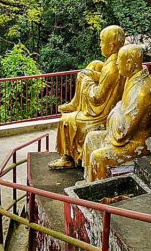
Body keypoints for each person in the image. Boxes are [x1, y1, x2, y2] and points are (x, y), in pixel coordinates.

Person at [49, 25, 126, 170]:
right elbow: (104, 81)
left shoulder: (112, 67)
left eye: (102, 41)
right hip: (107, 106)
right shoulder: (113, 61)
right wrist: (90, 75)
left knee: (66, 120)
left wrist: (87, 81)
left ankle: (68, 158)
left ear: (111, 46)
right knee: (94, 65)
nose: (99, 45)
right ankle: (75, 102)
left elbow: (97, 97)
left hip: (101, 114)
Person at [81, 44, 151, 181]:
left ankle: (99, 191)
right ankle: (89, 181)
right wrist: (118, 109)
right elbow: (121, 109)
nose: (116, 63)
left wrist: (115, 110)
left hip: (135, 142)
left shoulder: (142, 91)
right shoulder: (132, 77)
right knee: (91, 138)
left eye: (119, 60)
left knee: (98, 157)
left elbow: (123, 130)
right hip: (124, 134)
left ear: (128, 63)